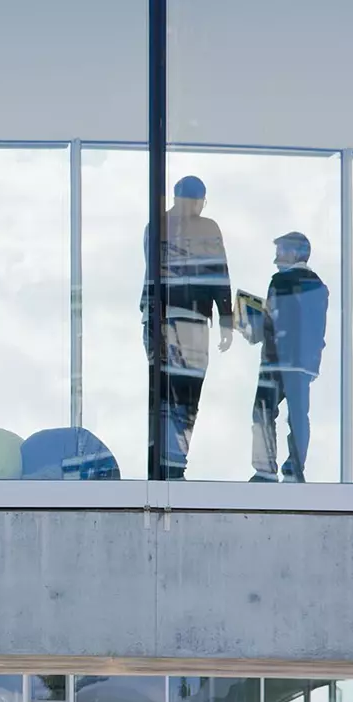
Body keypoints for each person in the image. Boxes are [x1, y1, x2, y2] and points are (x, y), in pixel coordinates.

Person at [143, 175, 233, 478]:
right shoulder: (206, 228)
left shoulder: (156, 226)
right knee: (187, 394)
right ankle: (174, 463)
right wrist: (226, 318)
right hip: (187, 319)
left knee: (166, 393)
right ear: (196, 199)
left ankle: (167, 464)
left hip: (166, 317)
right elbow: (219, 274)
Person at [248, 232, 328, 482]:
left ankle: (265, 468)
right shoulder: (318, 285)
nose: (276, 258)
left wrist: (251, 323)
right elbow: (318, 328)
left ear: (294, 253)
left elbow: (271, 321)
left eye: (280, 251)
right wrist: (313, 363)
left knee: (263, 410)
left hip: (276, 358)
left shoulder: (279, 281)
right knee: (298, 415)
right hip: (301, 362)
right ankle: (295, 467)